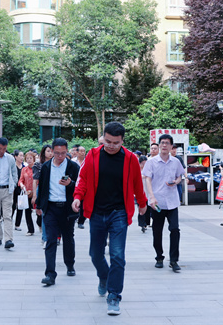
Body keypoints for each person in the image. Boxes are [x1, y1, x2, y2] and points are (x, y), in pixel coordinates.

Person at [72, 122, 147, 316]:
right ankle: (104, 277)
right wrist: (78, 197)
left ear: (122, 141)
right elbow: (83, 180)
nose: (111, 146)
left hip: (119, 213)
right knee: (95, 254)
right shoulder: (93, 155)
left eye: (116, 143)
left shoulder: (130, 159)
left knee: (117, 255)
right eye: (108, 141)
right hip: (97, 212)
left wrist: (143, 203)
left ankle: (114, 295)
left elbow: (137, 183)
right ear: (103, 138)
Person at [36, 138, 80, 286]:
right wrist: (39, 205)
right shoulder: (46, 166)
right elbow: (42, 187)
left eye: (63, 153)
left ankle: (70, 264)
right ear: (52, 152)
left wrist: (70, 184)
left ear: (67, 151)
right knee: (51, 240)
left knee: (68, 237)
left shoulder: (73, 167)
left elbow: (80, 187)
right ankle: (50, 274)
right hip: (51, 207)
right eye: (57, 153)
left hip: (67, 208)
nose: (60, 156)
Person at [142, 134, 185, 272]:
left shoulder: (176, 162)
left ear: (172, 146)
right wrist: (151, 197)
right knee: (157, 230)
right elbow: (147, 179)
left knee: (175, 229)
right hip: (158, 202)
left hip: (172, 201)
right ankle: (159, 257)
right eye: (162, 143)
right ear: (159, 145)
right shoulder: (151, 162)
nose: (164, 145)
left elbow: (180, 176)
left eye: (167, 143)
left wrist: (176, 182)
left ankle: (174, 260)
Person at [33, 144, 53, 245]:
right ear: (43, 152)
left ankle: (55, 237)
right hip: (42, 189)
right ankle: (45, 238)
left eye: (51, 151)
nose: (50, 153)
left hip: (54, 189)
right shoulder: (38, 164)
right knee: (45, 214)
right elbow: (35, 180)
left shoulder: (56, 163)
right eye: (48, 151)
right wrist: (34, 195)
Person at [18, 151, 36, 235]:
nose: (29, 160)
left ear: (34, 159)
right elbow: (20, 180)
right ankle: (30, 229)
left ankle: (40, 224)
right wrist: (21, 185)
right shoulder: (24, 169)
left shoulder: (37, 168)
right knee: (27, 212)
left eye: (30, 158)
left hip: (36, 192)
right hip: (27, 193)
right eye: (27, 158)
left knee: (39, 211)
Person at [74, 145, 87, 229]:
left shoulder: (87, 161)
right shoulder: (73, 161)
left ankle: (81, 221)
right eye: (81, 151)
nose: (82, 153)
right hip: (74, 184)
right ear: (77, 152)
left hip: (84, 185)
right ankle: (75, 217)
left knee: (83, 205)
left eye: (84, 151)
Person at [12, 149, 25, 231]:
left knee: (20, 207)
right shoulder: (12, 167)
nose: (22, 157)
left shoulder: (24, 167)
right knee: (12, 206)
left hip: (21, 189)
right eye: (20, 155)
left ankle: (17, 224)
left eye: (23, 156)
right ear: (15, 157)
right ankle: (8, 221)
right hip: (13, 189)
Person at [137, 155, 151, 233]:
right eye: (142, 163)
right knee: (141, 207)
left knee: (148, 208)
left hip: (148, 192)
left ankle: (146, 223)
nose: (144, 165)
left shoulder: (149, 170)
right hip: (140, 192)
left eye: (145, 163)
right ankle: (142, 224)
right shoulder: (137, 170)